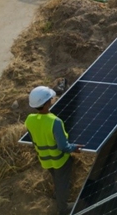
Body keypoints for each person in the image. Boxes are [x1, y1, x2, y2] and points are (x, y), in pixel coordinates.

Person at [25, 86, 84, 215]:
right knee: (62, 182)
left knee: (56, 178)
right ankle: (63, 208)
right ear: (47, 103)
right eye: (50, 99)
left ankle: (57, 195)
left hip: (45, 160)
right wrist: (75, 148)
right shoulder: (54, 122)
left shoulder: (29, 120)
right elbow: (63, 147)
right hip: (60, 160)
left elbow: (33, 138)